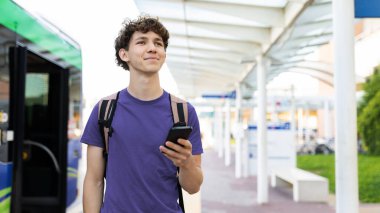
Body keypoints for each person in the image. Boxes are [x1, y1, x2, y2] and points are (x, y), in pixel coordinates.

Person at [81, 15, 204, 213]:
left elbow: (193, 187)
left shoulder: (183, 112)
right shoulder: (104, 110)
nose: (153, 48)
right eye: (141, 42)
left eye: (158, 43)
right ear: (124, 54)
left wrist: (186, 163)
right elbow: (94, 180)